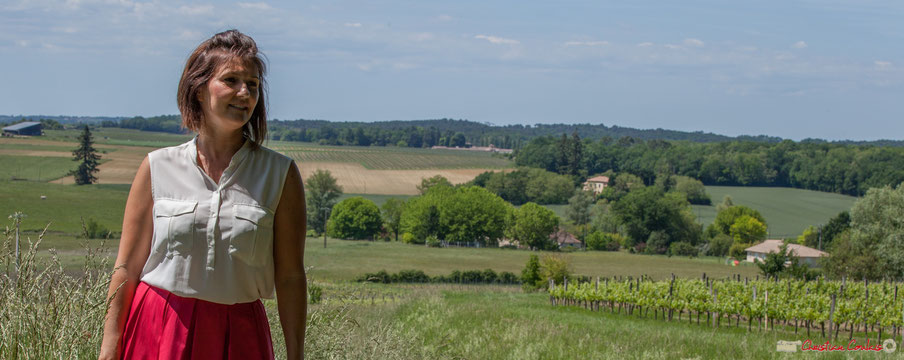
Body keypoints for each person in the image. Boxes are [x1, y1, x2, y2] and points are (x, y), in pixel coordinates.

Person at [98, 29, 307, 359]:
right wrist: (109, 350)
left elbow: (291, 275)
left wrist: (296, 354)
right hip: (158, 327)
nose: (244, 92)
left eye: (252, 84)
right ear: (198, 90)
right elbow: (126, 269)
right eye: (231, 80)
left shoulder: (279, 174)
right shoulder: (157, 166)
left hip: (240, 335)